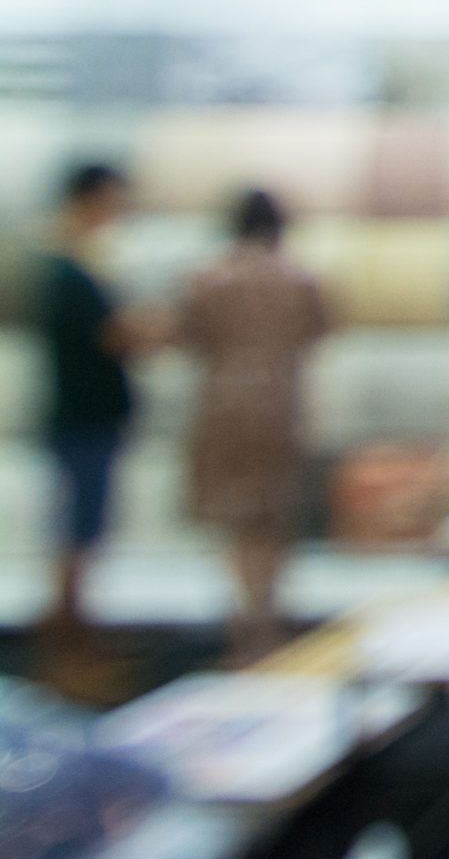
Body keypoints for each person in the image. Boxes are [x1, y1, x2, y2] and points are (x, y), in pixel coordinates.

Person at [176, 190, 330, 663]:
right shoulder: (300, 279)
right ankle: (269, 617)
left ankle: (245, 620)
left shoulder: (208, 278)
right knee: (275, 516)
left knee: (237, 519)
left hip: (225, 407)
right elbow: (319, 334)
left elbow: (190, 338)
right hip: (281, 406)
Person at [35, 164, 153, 665]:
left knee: (81, 529)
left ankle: (72, 638)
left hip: (84, 414)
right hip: (84, 417)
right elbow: (110, 337)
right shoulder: (71, 270)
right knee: (79, 530)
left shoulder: (74, 266)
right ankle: (68, 644)